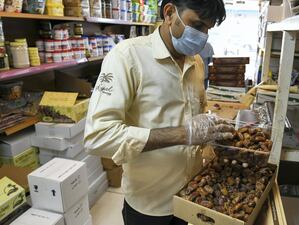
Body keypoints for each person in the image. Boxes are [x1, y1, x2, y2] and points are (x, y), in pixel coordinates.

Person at [84, 1, 229, 225]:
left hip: (190, 196)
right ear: (170, 13)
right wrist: (184, 134)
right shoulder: (127, 57)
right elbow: (98, 136)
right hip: (148, 206)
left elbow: (196, 113)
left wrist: (210, 132)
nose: (202, 36)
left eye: (208, 29)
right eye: (197, 25)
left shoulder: (196, 62)